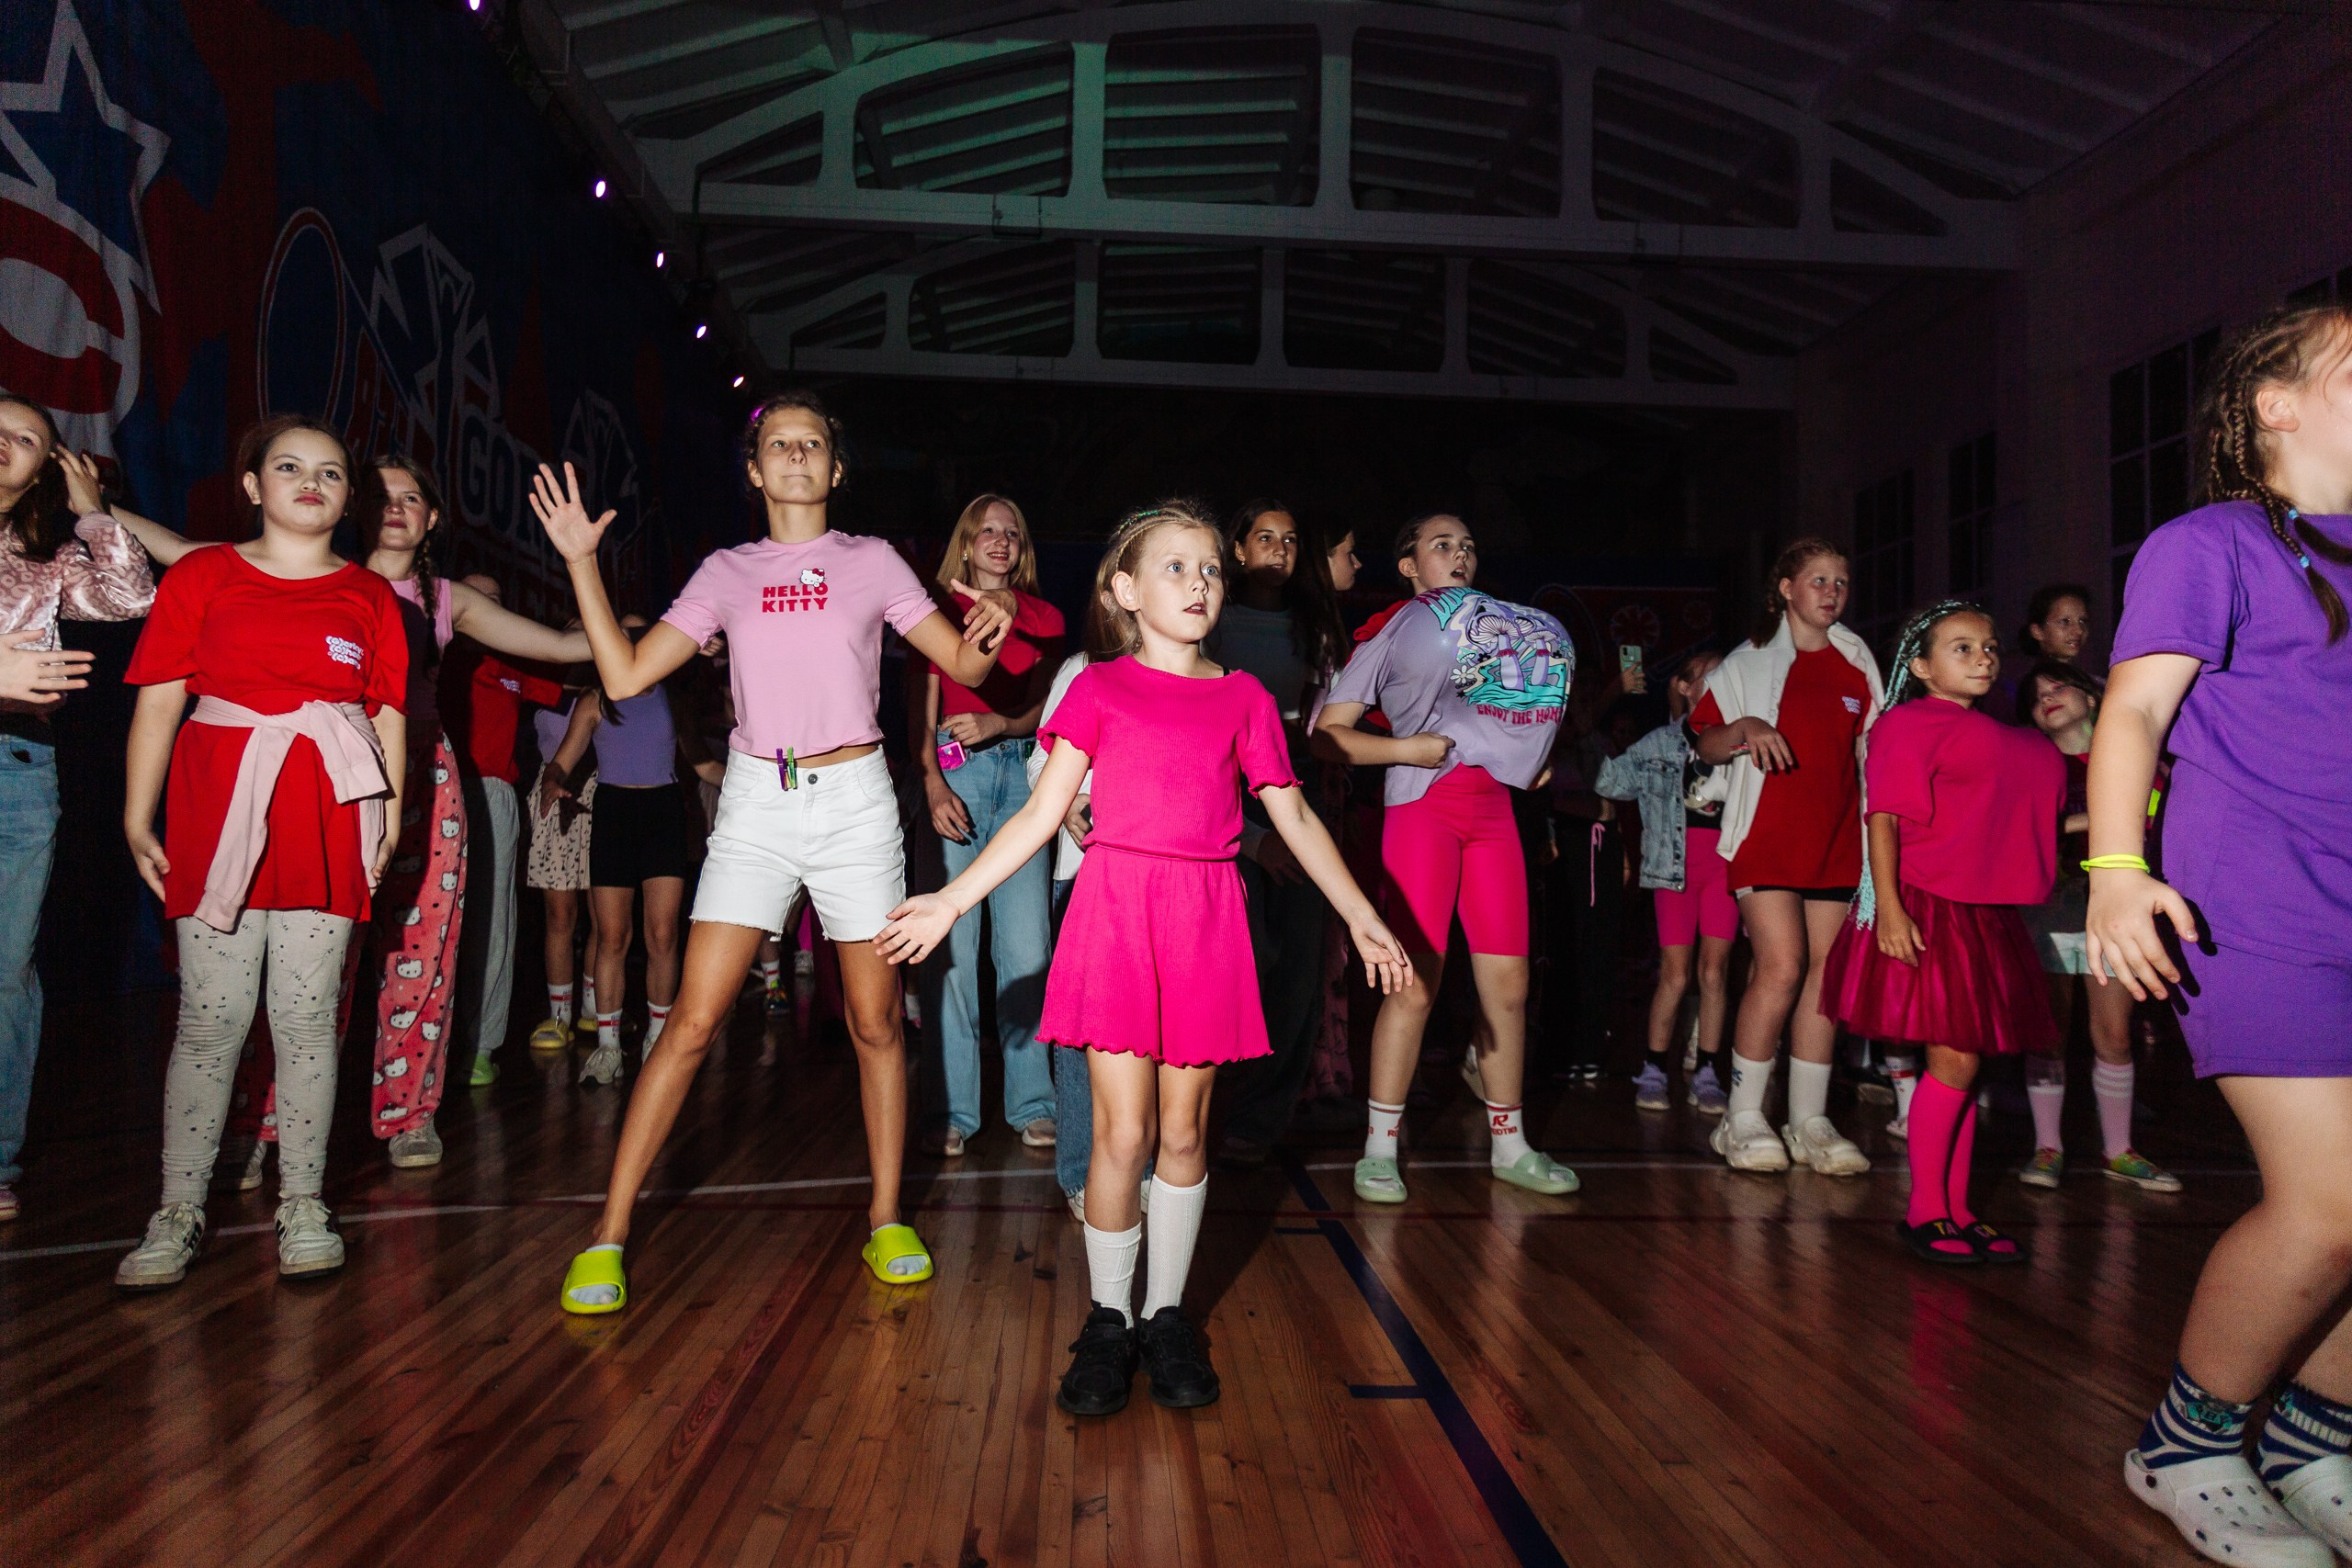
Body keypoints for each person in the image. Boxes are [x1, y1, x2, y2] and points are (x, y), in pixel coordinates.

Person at [876, 501, 1412, 1417]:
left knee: (1186, 1135)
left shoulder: (1243, 697)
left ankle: (1165, 1316)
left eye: (1210, 569)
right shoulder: (1097, 688)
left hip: (1205, 918)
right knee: (1121, 1136)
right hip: (1117, 914)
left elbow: (1290, 812)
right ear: (1125, 589)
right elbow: (1040, 815)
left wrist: (1361, 914)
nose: (1199, 583)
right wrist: (950, 900)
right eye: (1175, 567)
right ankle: (1107, 1318)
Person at [537, 390, 1014, 1314]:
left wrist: (986, 639)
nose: (797, 455)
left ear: (835, 467)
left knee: (876, 1022)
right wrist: (582, 565)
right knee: (692, 1021)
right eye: (779, 445)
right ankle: (608, 1234)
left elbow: (962, 666)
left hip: (855, 801)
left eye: (813, 444)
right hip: (758, 801)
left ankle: (886, 1218)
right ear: (755, 470)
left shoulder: (872, 561)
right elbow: (626, 676)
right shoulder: (726, 571)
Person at [2099, 302, 2352, 1567]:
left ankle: (2314, 1436)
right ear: (2276, 404)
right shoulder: (2213, 544)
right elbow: (2134, 714)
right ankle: (2187, 1443)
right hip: (2254, 910)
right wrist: (2114, 870)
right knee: (2332, 1204)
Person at [112, 417, 406, 1288]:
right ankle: (178, 1209)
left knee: (308, 1020)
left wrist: (388, 820)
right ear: (252, 485)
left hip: (329, 812)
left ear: (350, 498)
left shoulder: (371, 595)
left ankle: (303, 1202)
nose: (311, 481)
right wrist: (137, 817)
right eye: (289, 466)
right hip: (217, 815)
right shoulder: (202, 574)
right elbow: (159, 700)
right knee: (211, 1020)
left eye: (331, 472)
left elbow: (387, 714)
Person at [1317, 512, 1579, 1206]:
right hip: (1421, 811)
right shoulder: (1392, 630)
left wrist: (1532, 757)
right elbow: (1327, 736)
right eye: (1441, 545)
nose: (1459, 555)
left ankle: (1510, 1144)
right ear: (1408, 565)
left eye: (1467, 545)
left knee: (1510, 989)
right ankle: (1379, 1150)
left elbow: (1517, 716)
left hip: (1494, 817)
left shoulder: (1502, 633)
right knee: (1413, 985)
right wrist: (1407, 748)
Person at [1816, 602, 2064, 1264]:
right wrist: (1891, 909)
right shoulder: (1907, 723)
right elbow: (1882, 818)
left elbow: (2022, 808)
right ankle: (1927, 1210)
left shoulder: (2005, 735)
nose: (1983, 656)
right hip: (1929, 905)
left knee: (1966, 1065)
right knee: (1954, 1061)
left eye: (1989, 646)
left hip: (1983, 912)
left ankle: (1957, 1210)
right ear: (1922, 667)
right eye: (1962, 647)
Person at [0, 394, 152, 1224]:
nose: (7, 442)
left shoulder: (49, 559)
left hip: (20, 765)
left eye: (27, 438)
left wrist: (93, 513)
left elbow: (131, 599)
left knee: (7, 969)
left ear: (42, 472)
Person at [1689, 538, 1884, 1177]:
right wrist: (1745, 728)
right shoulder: (1745, 664)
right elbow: (1706, 744)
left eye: (1841, 582)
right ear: (1786, 589)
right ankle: (1742, 1116)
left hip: (1837, 842)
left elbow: (1873, 754)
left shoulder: (1857, 663)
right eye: (1818, 580)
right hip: (1766, 839)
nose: (1832, 592)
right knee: (1781, 966)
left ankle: (1808, 1119)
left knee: (1826, 976)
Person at [909, 493, 1062, 1156]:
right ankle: (952, 1110)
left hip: (1023, 777)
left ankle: (1033, 1102)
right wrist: (932, 782)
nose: (999, 540)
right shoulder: (934, 611)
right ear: (966, 543)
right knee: (950, 952)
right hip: (956, 777)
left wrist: (1002, 722)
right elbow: (920, 709)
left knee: (1027, 952)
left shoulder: (1043, 616)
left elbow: (1044, 710)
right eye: (986, 530)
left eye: (1011, 532)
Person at [1208, 499, 1351, 1168]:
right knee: (1243, 955)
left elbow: (1325, 715)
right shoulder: (1212, 616)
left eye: (1290, 539)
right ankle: (1206, 1102)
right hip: (1224, 777)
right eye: (1263, 536)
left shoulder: (1312, 622)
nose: (1278, 548)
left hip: (1292, 775)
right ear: (1237, 549)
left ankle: (1259, 1117)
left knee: (1295, 964)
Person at [2012, 660, 2180, 1193]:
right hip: (2050, 908)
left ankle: (2119, 1150)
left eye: (2060, 685)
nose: (2047, 696)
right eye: (2037, 695)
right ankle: (2048, 1147)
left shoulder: (2132, 756)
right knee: (2049, 1033)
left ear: (2091, 697)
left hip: (2115, 910)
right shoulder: (2033, 764)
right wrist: (2101, 821)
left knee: (2113, 1033)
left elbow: (2153, 813)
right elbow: (2021, 830)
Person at [544, 615, 701, 1086]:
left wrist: (762, 780)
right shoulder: (595, 700)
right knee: (612, 937)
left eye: (641, 633)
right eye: (624, 633)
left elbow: (705, 763)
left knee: (663, 935)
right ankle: (608, 1047)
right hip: (613, 813)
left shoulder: (673, 699)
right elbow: (562, 761)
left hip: (663, 813)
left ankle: (657, 1038)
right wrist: (553, 782)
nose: (632, 640)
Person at [441, 573, 566, 1084]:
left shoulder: (515, 661)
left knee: (493, 922)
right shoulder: (438, 654)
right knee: (434, 924)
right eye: (476, 597)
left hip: (493, 793)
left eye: (495, 599)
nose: (485, 606)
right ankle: (429, 1046)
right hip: (436, 787)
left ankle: (481, 1045)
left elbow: (572, 677)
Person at [1598, 649, 1733, 1116]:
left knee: (1714, 974)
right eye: (1712, 677)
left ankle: (1708, 1071)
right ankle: (1654, 1069)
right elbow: (1608, 780)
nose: (1723, 684)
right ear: (1684, 687)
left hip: (1725, 871)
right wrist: (1585, 729)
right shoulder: (1659, 743)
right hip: (1673, 874)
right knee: (1675, 974)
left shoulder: (1740, 738)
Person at [525, 679, 597, 1047]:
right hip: (556, 796)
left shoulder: (607, 685)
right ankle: (559, 1016)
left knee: (605, 918)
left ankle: (595, 1008)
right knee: (559, 915)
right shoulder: (542, 680)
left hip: (604, 789)